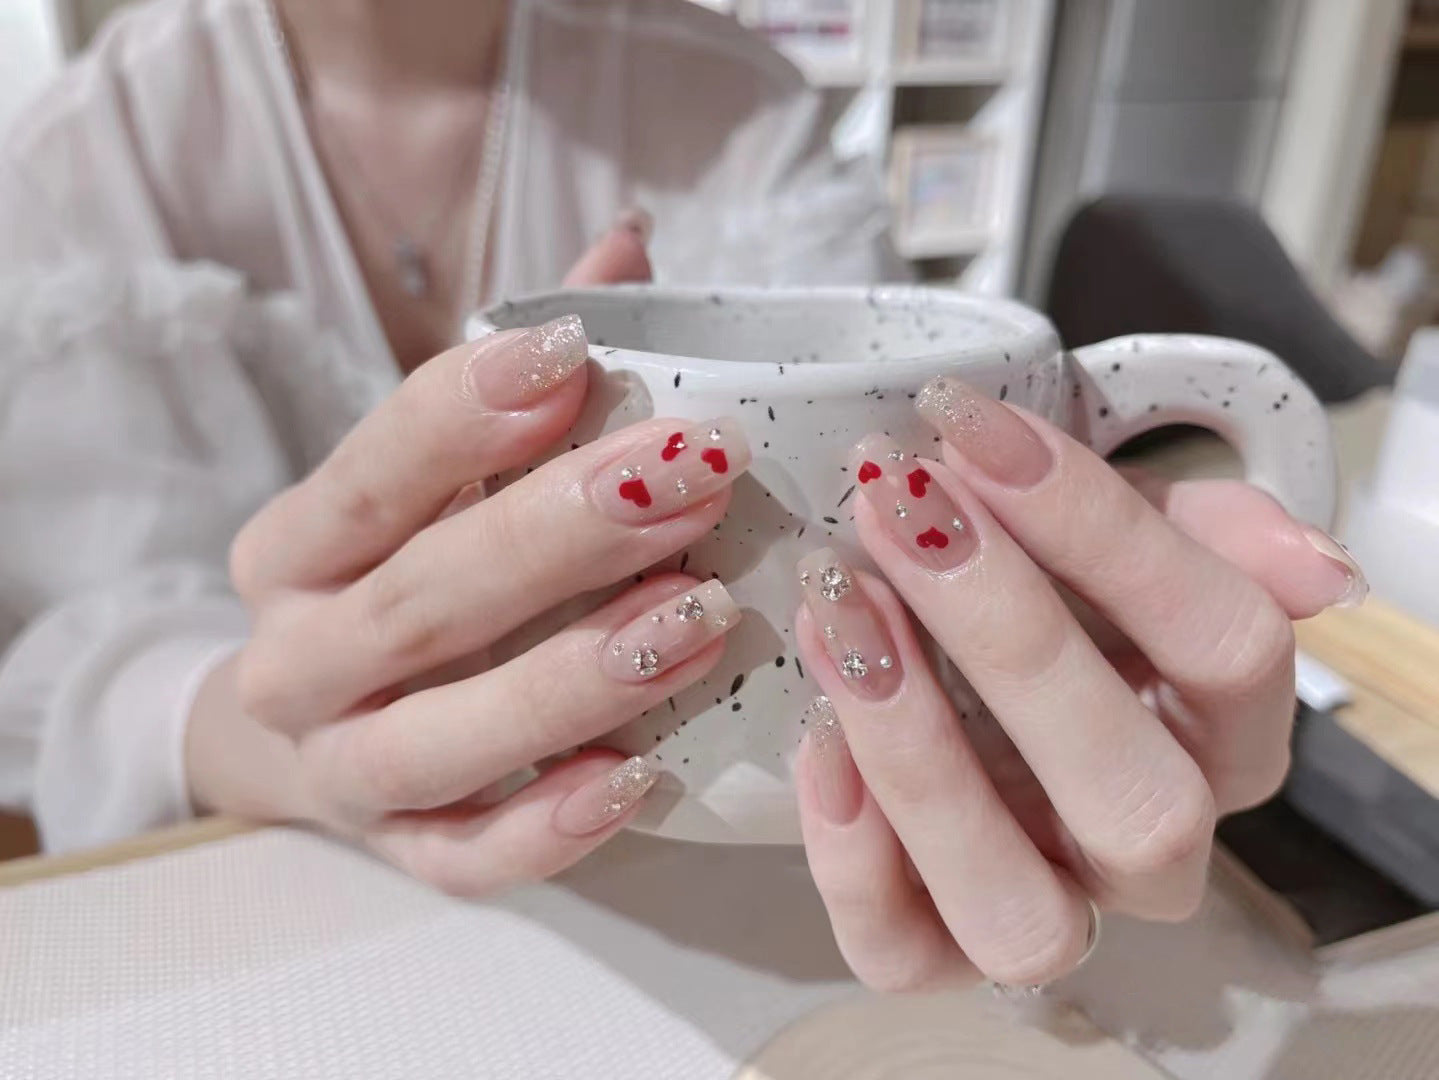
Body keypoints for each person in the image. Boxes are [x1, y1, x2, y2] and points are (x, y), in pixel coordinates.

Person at [0, 0, 1365, 995]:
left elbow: (886, 458)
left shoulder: (732, 101)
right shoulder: (79, 159)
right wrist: (306, 743)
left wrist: (1099, 638)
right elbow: (84, 644)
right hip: (305, 934)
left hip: (789, 939)